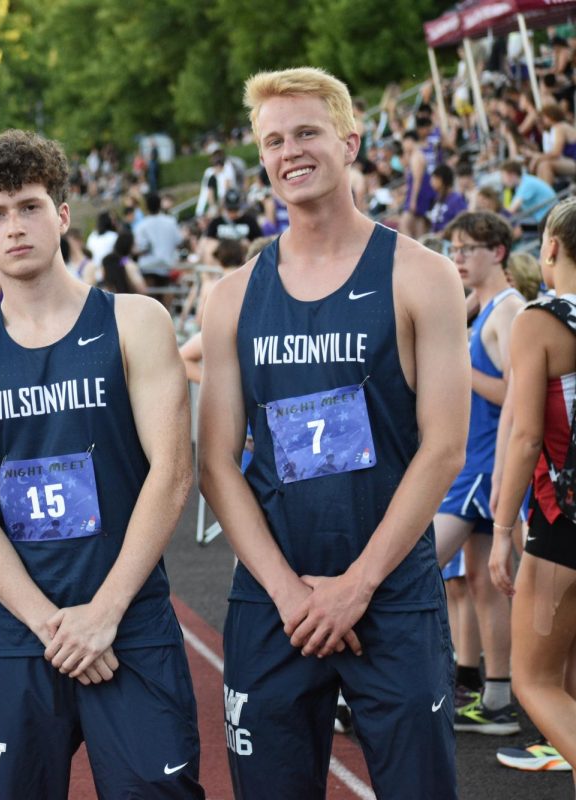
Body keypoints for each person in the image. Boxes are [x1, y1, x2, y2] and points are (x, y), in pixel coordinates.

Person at [199, 68, 468, 799]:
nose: (291, 151)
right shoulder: (230, 298)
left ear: (350, 142)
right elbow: (217, 463)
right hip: (271, 597)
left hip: (389, 590)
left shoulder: (422, 275)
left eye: (308, 132)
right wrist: (290, 593)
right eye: (274, 140)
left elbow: (443, 446)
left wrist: (358, 584)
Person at [0, 129, 204, 798]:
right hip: (18, 630)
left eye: (29, 206)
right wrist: (51, 625)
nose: (15, 226)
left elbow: (170, 474)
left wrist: (103, 612)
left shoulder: (135, 321)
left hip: (129, 619)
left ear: (62, 214)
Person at [489, 196, 576, 786]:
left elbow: (524, 437)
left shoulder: (539, 319)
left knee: (536, 682)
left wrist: (500, 529)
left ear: (549, 247)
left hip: (562, 521)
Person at [433, 211, 524, 735]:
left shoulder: (507, 311)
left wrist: (459, 370)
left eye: (470, 248)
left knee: (412, 569)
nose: (460, 256)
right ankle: (495, 702)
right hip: (479, 468)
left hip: (481, 470)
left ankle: (385, 689)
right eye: (455, 247)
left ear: (498, 252)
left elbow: (519, 394)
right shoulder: (484, 306)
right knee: (486, 587)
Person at [134, 193, 184, 274]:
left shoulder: (141, 226)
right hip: (169, 265)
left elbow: (141, 248)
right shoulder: (171, 221)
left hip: (150, 268)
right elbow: (179, 241)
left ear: (146, 207)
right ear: (160, 204)